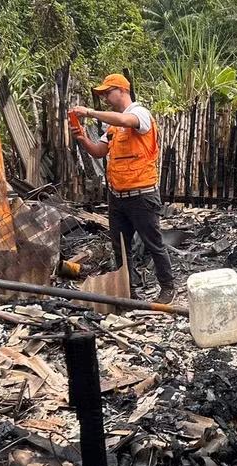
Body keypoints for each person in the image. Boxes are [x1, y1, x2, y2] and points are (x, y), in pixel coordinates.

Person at [70, 74, 175, 304]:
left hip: (142, 194)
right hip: (117, 196)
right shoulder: (112, 126)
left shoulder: (140, 114)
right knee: (120, 248)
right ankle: (129, 290)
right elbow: (99, 151)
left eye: (108, 92)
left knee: (153, 243)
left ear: (122, 90)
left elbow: (127, 122)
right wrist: (82, 138)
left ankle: (167, 287)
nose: (106, 97)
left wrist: (89, 112)